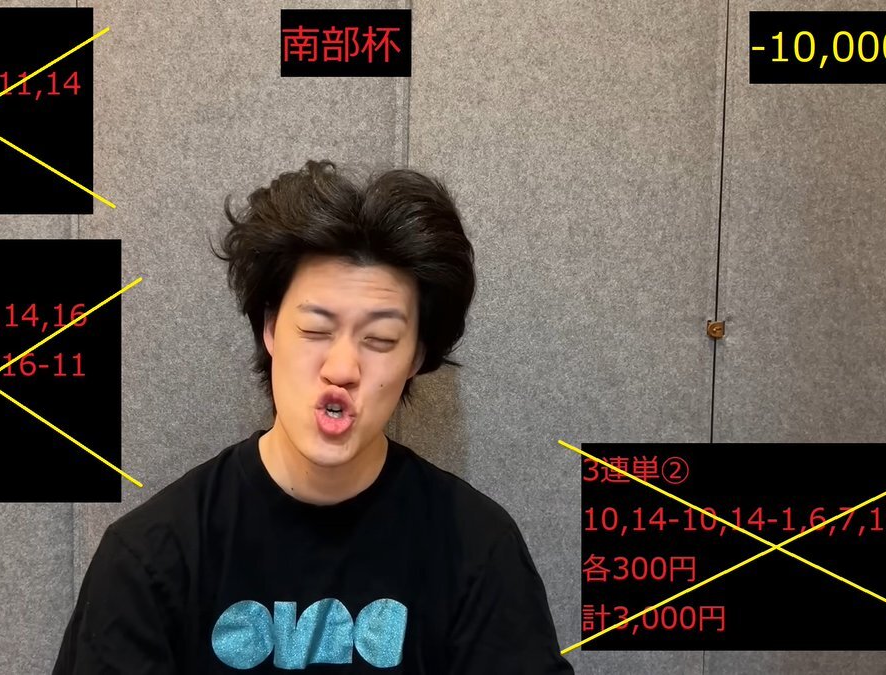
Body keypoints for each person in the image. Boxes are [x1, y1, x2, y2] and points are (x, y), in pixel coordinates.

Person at [52, 159, 574, 673]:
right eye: (315, 330)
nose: (342, 368)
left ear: (416, 357)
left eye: (380, 339)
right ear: (271, 329)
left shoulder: (477, 551)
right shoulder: (151, 557)